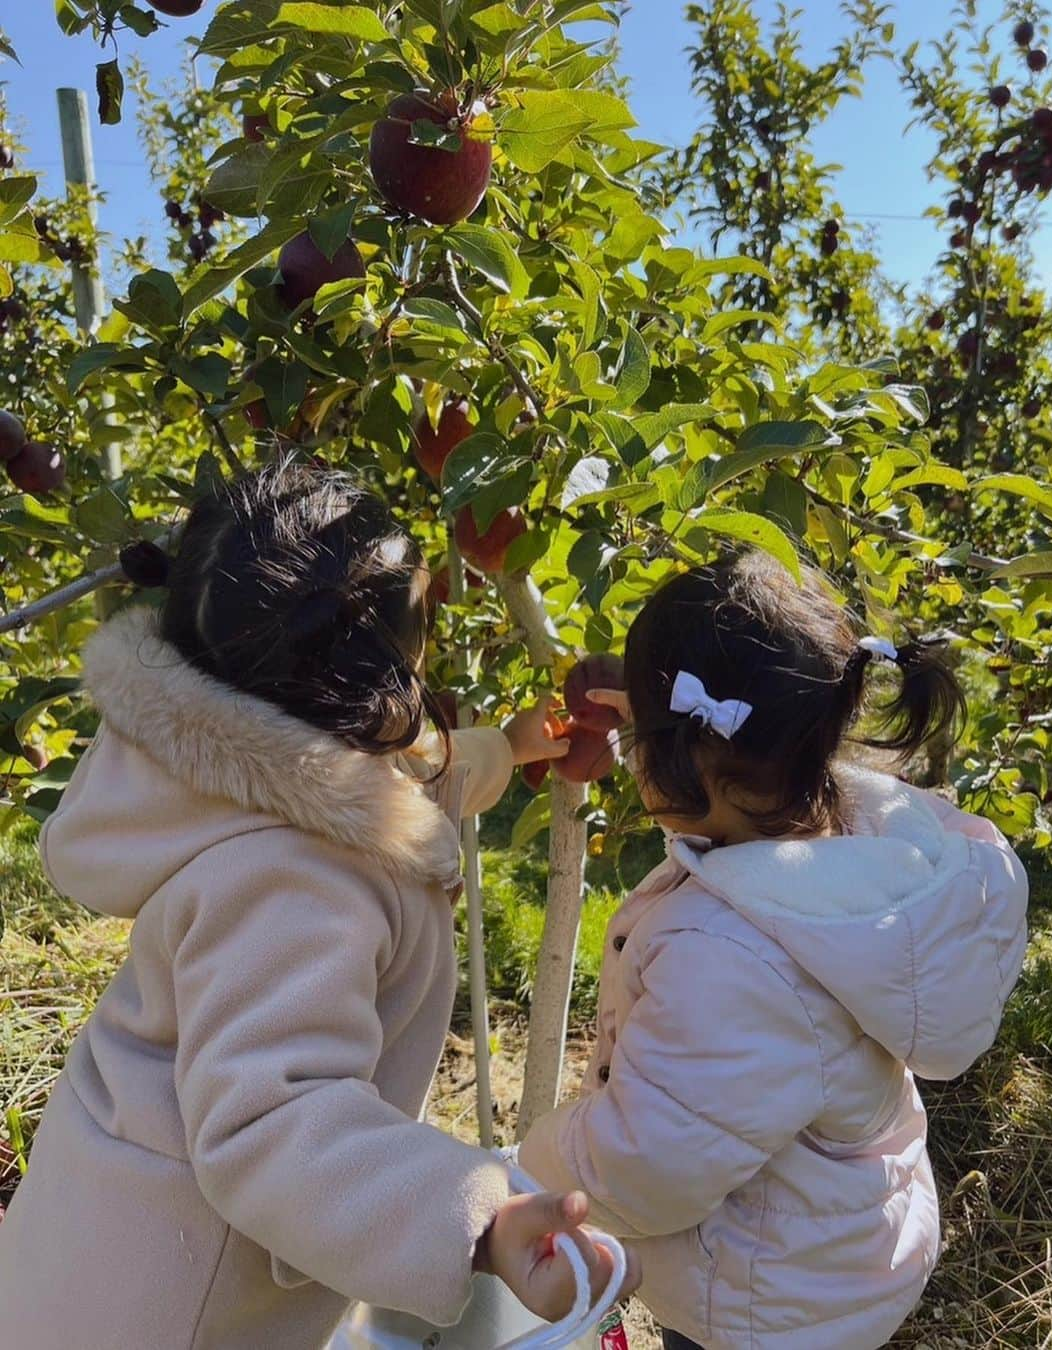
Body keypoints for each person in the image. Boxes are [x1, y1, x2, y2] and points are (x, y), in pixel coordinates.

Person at [0, 463, 638, 1349]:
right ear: (365, 676)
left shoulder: (221, 749)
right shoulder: (294, 878)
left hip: (99, 1238)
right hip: (171, 1307)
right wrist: (482, 1220)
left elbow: (407, 780)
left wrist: (518, 746)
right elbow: (272, 1119)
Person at [519, 550, 1028, 1350]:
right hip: (833, 1248)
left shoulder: (728, 957)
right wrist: (659, 717)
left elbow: (649, 1166)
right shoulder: (852, 848)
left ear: (679, 757)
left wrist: (528, 1171)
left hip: (760, 1298)